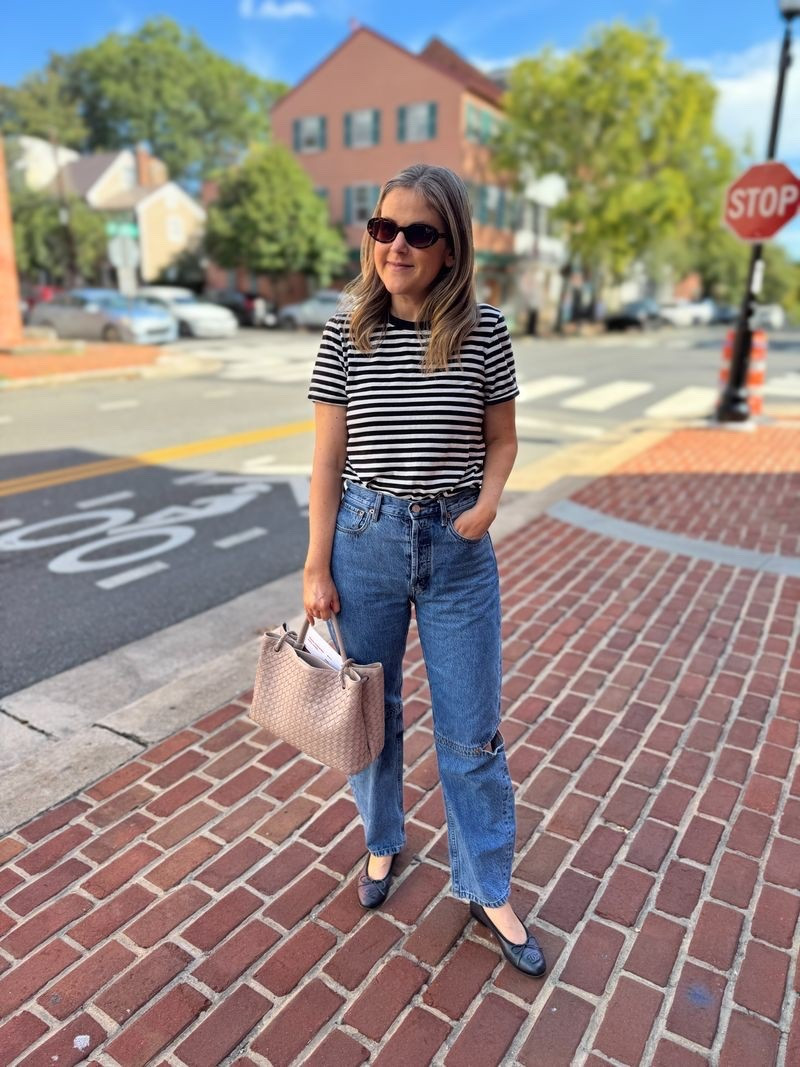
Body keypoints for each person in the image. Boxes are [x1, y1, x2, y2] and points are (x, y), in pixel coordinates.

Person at [303, 163, 545, 978]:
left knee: (471, 731)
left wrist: (491, 500)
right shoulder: (347, 332)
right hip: (364, 538)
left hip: (458, 546)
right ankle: (381, 841)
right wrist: (314, 563)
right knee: (370, 714)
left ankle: (485, 882)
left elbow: (503, 439)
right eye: (383, 228)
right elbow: (327, 458)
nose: (395, 245)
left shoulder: (485, 329)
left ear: (451, 247)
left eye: (417, 232)